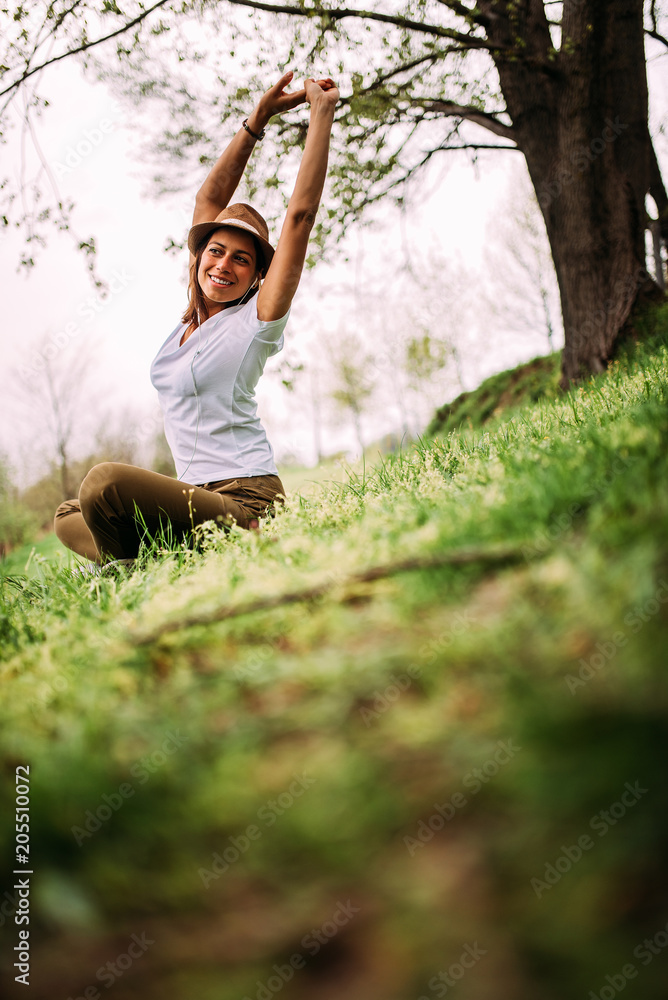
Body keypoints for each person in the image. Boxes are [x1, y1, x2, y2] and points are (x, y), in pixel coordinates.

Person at [54, 71, 339, 566]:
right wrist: (259, 117)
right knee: (67, 514)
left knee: (104, 483)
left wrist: (321, 114)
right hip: (193, 500)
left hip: (245, 500)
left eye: (242, 259)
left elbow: (300, 217)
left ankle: (132, 567)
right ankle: (163, 555)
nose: (224, 264)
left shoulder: (257, 319)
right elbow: (209, 200)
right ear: (200, 255)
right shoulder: (185, 326)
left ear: (256, 276)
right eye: (216, 251)